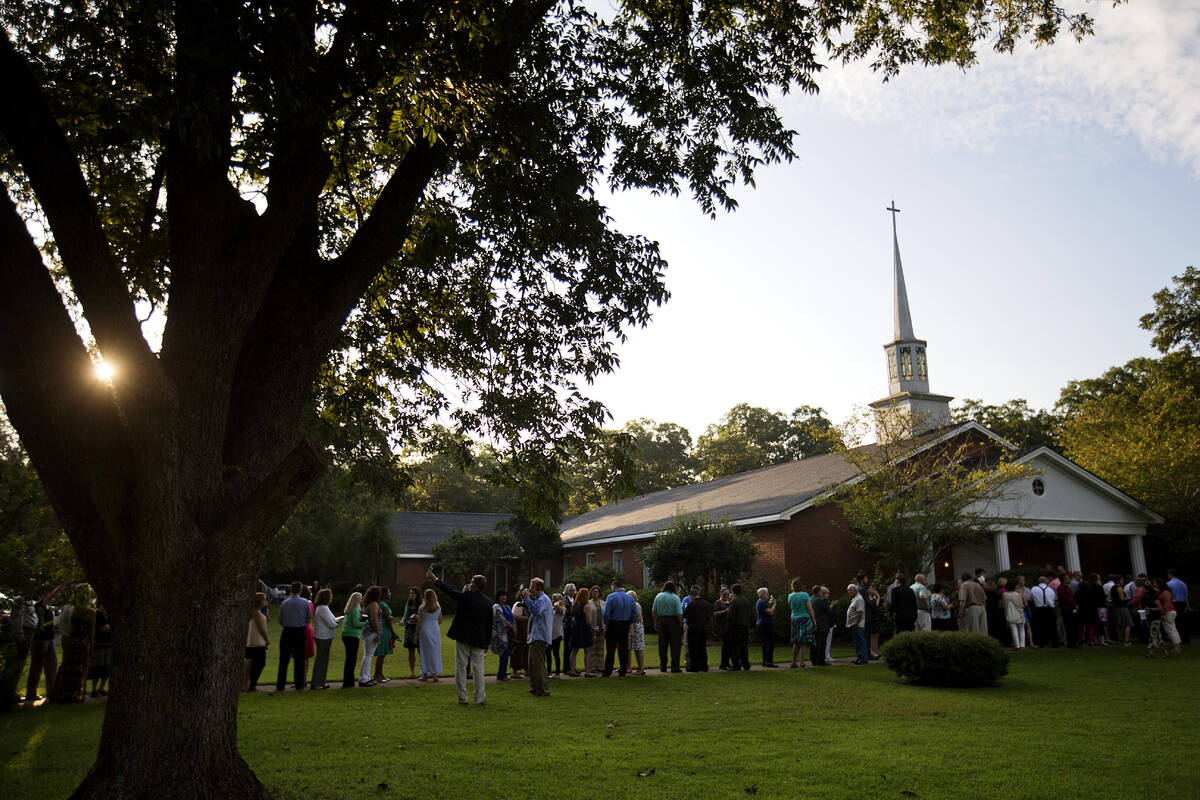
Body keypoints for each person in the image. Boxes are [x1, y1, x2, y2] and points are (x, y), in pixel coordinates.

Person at [430, 571, 492, 705]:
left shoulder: (466, 597)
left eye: (472, 582)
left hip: (464, 637)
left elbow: (449, 591)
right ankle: (479, 698)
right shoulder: (488, 602)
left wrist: (435, 579)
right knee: (478, 670)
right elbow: (489, 625)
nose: (470, 584)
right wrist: (487, 642)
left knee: (461, 667)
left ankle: (463, 698)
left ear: (475, 585)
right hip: (479, 640)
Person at [49, 594, 95, 703]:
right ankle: (77, 694)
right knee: (81, 668)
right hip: (83, 642)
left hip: (73, 640)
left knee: (69, 667)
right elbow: (91, 631)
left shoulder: (73, 610)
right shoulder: (90, 613)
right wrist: (92, 642)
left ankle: (64, 693)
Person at [25, 586, 61, 704]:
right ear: (41, 595)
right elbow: (52, 594)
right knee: (37, 666)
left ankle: (51, 692)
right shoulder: (39, 606)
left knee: (52, 665)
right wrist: (63, 584)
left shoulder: (48, 607)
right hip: (40, 640)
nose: (50, 596)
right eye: (47, 593)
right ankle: (31, 693)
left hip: (50, 639)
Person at [276, 581, 312, 692]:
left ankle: (280, 685)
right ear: (300, 590)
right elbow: (308, 618)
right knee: (299, 660)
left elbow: (280, 619)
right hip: (300, 631)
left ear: (291, 590)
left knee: (284, 660)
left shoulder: (285, 603)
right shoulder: (305, 603)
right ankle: (299, 684)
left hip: (287, 631)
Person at [602, 579, 637, 677]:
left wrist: (607, 623)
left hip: (613, 624)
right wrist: (629, 622)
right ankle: (623, 670)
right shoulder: (630, 598)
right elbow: (635, 614)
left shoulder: (611, 596)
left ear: (614, 586)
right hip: (625, 624)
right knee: (623, 649)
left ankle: (607, 671)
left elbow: (606, 613)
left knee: (610, 649)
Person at [526, 577, 553, 697]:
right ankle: (535, 686)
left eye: (531, 587)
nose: (530, 589)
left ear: (538, 588)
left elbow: (536, 611)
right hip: (535, 635)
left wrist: (527, 599)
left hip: (539, 635)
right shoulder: (538, 599)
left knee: (538, 663)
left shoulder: (543, 599)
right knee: (532, 663)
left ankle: (542, 689)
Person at [311, 587, 341, 689]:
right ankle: (317, 683)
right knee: (321, 661)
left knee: (324, 660)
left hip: (325, 636)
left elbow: (332, 620)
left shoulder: (323, 608)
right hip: (323, 637)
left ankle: (321, 682)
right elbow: (332, 624)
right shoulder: (323, 608)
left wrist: (338, 619)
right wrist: (338, 623)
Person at [652, 581, 684, 672]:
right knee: (675, 645)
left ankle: (663, 666)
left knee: (662, 644)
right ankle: (675, 667)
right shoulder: (675, 597)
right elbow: (678, 613)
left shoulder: (658, 596)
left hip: (662, 621)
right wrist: (680, 623)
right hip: (673, 621)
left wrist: (655, 622)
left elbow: (654, 611)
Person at [680, 586, 710, 672]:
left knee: (693, 647)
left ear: (692, 596)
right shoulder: (706, 604)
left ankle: (695, 666)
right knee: (702, 647)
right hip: (703, 628)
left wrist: (686, 608)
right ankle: (704, 665)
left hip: (693, 628)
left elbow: (685, 615)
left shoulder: (691, 604)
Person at [787, 578, 815, 668]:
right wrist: (814, 621)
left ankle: (793, 662)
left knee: (796, 641)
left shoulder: (790, 596)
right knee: (803, 642)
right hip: (805, 618)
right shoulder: (805, 595)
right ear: (800, 586)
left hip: (794, 619)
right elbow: (810, 608)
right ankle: (802, 663)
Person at [245, 591, 270, 691]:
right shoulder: (258, 615)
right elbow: (262, 629)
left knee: (251, 664)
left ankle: (248, 683)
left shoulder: (252, 613)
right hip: (258, 643)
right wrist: (267, 640)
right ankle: (252, 684)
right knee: (260, 664)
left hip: (251, 642)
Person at [87, 599, 113, 697]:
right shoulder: (97, 614)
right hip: (100, 643)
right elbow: (103, 628)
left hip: (108, 643)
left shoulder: (107, 614)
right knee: (97, 667)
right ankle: (94, 689)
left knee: (106, 668)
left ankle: (101, 688)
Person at [358, 586, 382, 687]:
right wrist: (378, 633)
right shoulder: (374, 604)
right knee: (369, 655)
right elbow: (374, 619)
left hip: (366, 632)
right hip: (371, 632)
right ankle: (364, 678)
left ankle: (366, 676)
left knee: (367, 655)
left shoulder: (366, 605)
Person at [727, 583, 755, 671]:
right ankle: (746, 664)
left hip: (735, 627)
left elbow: (730, 616)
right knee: (744, 647)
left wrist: (728, 628)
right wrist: (751, 626)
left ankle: (736, 665)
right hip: (745, 627)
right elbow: (752, 615)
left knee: (735, 647)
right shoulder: (747, 600)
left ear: (733, 591)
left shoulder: (734, 601)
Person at [373, 586, 398, 683]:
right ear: (384, 594)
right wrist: (393, 632)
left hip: (384, 629)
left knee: (383, 654)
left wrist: (389, 617)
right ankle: (377, 675)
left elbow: (386, 616)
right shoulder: (382, 604)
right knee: (381, 654)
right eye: (389, 592)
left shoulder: (381, 604)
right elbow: (387, 619)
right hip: (384, 630)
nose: (390, 594)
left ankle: (380, 674)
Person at [340, 591, 365, 688]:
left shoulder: (348, 610)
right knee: (351, 659)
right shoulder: (355, 610)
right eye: (360, 599)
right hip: (352, 635)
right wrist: (365, 623)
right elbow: (356, 624)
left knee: (349, 659)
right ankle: (348, 682)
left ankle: (348, 680)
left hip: (346, 634)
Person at [418, 588, 443, 681]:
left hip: (425, 629)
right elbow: (440, 621)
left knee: (424, 652)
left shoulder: (422, 608)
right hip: (435, 629)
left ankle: (425, 673)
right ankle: (434, 674)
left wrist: (416, 633)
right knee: (435, 652)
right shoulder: (438, 607)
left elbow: (419, 622)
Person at [569, 587, 593, 676]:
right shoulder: (587, 606)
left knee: (574, 650)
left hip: (576, 627)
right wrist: (593, 628)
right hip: (584, 628)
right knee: (587, 650)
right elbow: (588, 620)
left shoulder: (574, 605)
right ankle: (587, 671)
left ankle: (572, 670)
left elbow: (572, 618)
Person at [1156, 578, 1181, 656]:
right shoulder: (1164, 592)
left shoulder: (1165, 592)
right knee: (1172, 628)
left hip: (1168, 612)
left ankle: (1176, 647)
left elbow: (1167, 604)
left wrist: (1164, 613)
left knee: (1170, 629)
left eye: (1156, 583)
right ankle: (1176, 645)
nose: (1155, 585)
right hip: (1170, 612)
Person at [810, 585, 835, 666]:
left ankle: (813, 660)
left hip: (813, 624)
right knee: (821, 644)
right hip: (822, 624)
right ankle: (821, 661)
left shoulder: (810, 599)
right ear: (819, 592)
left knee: (814, 644)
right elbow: (829, 612)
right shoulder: (822, 600)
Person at [846, 583, 869, 665]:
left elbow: (860, 613)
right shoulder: (855, 599)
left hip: (858, 624)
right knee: (857, 642)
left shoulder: (859, 599)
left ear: (855, 590)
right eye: (848, 591)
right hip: (854, 624)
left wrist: (857, 623)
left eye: (850, 591)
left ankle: (863, 659)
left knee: (860, 641)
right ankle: (859, 657)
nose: (849, 593)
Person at [510, 587, 530, 678]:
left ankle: (527, 669)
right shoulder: (518, 604)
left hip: (527, 632)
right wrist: (527, 618)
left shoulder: (528, 604)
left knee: (526, 651)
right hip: (520, 631)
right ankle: (515, 671)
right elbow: (514, 616)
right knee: (517, 651)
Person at [1166, 569, 1189, 645]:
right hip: (1182, 604)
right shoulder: (1183, 584)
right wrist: (1187, 606)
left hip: (1174, 604)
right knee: (1182, 622)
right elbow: (1186, 596)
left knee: (1173, 623)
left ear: (1170, 574)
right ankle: (1185, 639)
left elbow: (1167, 596)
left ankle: (1176, 640)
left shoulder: (1169, 584)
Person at [756, 588, 777, 667]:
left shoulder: (761, 602)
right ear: (762, 594)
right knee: (770, 643)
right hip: (766, 625)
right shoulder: (762, 603)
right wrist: (774, 603)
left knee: (765, 643)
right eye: (766, 593)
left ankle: (765, 661)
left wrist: (770, 604)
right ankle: (769, 662)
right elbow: (770, 611)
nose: (768, 594)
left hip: (763, 624)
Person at [1001, 583, 1027, 649]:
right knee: (1021, 629)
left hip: (1009, 613)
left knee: (1014, 630)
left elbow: (1003, 605)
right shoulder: (1017, 595)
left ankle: (1017, 645)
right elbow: (1021, 604)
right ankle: (1022, 645)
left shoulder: (1004, 595)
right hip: (1019, 613)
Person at [627, 590, 647, 675]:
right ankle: (632, 667)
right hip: (633, 629)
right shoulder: (632, 605)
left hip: (637, 630)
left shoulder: (636, 605)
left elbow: (638, 617)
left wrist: (629, 621)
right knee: (633, 648)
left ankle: (641, 669)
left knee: (638, 649)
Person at [403, 587, 421, 678]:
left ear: (417, 594)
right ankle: (412, 672)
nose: (411, 595)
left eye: (413, 593)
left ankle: (424, 672)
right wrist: (403, 621)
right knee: (411, 651)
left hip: (419, 630)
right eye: (410, 593)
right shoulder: (408, 604)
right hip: (409, 629)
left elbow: (422, 617)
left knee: (421, 651)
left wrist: (416, 616)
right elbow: (405, 615)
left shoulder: (421, 605)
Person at [713, 587, 732, 670]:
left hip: (729, 626)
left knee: (729, 645)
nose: (727, 596)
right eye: (725, 594)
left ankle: (727, 663)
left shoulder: (730, 602)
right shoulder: (718, 602)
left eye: (728, 594)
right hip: (722, 626)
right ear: (721, 594)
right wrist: (725, 611)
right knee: (726, 645)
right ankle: (723, 664)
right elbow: (715, 613)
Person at [549, 592, 565, 675]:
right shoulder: (551, 608)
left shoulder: (562, 609)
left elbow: (557, 607)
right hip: (549, 634)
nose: (551, 600)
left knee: (556, 653)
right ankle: (549, 671)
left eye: (553, 599)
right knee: (547, 653)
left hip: (557, 633)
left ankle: (557, 673)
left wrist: (558, 602)